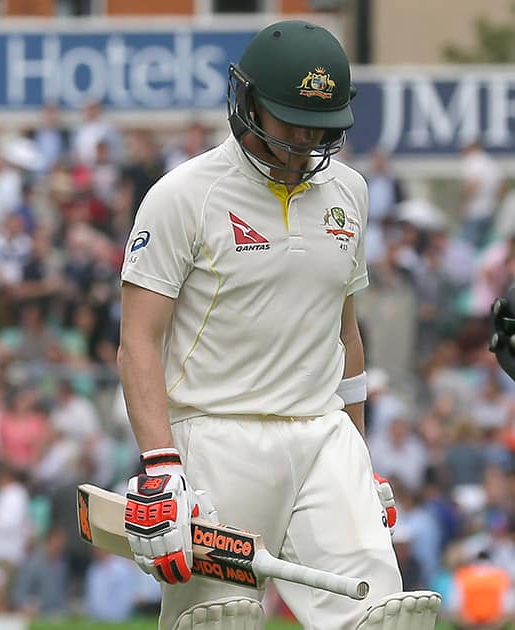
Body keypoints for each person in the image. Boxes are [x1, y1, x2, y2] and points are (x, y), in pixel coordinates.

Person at [117, 20, 439, 629]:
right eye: (289, 118)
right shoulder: (183, 195)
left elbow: (345, 332)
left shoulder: (351, 191)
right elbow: (138, 338)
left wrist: (361, 456)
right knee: (221, 620)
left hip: (323, 436)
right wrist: (160, 463)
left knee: (385, 615)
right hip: (214, 437)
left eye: (319, 125)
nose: (304, 138)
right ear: (247, 103)